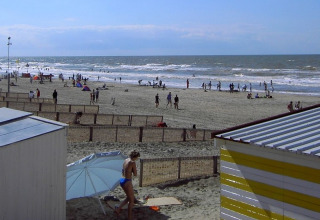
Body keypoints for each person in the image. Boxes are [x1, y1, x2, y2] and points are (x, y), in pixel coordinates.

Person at [115, 150, 140, 220]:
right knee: (131, 201)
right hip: (127, 181)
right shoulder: (132, 162)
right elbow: (135, 174)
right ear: (135, 157)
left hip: (122, 180)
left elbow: (124, 170)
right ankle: (129, 218)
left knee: (129, 197)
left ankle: (118, 208)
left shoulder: (126, 160)